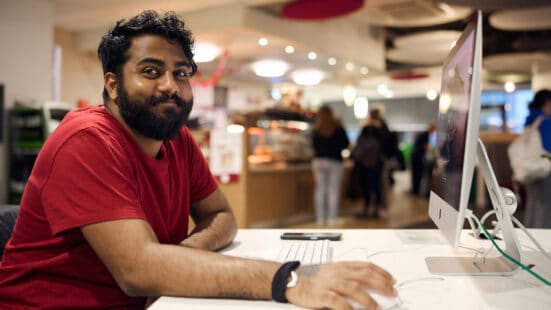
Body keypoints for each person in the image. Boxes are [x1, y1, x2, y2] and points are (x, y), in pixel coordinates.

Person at [0, 10, 397, 309]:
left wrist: (178, 259)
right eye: (151, 71)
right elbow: (138, 271)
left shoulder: (178, 140)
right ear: (113, 83)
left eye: (182, 73)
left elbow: (222, 217)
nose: (171, 86)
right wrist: (289, 280)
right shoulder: (87, 140)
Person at [311, 105, 350, 226]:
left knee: (320, 190)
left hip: (319, 161)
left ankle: (320, 218)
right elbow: (346, 144)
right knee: (333, 190)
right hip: (335, 161)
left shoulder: (316, 129)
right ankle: (332, 218)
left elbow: (312, 145)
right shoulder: (338, 128)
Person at [522, 89, 551, 228]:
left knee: (533, 205)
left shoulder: (530, 120)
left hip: (530, 169)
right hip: (545, 170)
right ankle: (541, 244)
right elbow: (548, 150)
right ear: (547, 103)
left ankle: (529, 237)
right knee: (545, 209)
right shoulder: (545, 122)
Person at [352, 110, 386, 218]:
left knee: (367, 186)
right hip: (375, 162)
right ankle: (375, 209)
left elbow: (358, 145)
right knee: (375, 186)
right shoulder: (382, 127)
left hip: (365, 163)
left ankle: (368, 208)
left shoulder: (366, 128)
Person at [410, 123, 436, 196]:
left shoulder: (423, 134)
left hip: (415, 157)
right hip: (417, 158)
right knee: (418, 174)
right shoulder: (426, 135)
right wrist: (435, 152)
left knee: (416, 175)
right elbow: (426, 147)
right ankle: (416, 191)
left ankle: (415, 190)